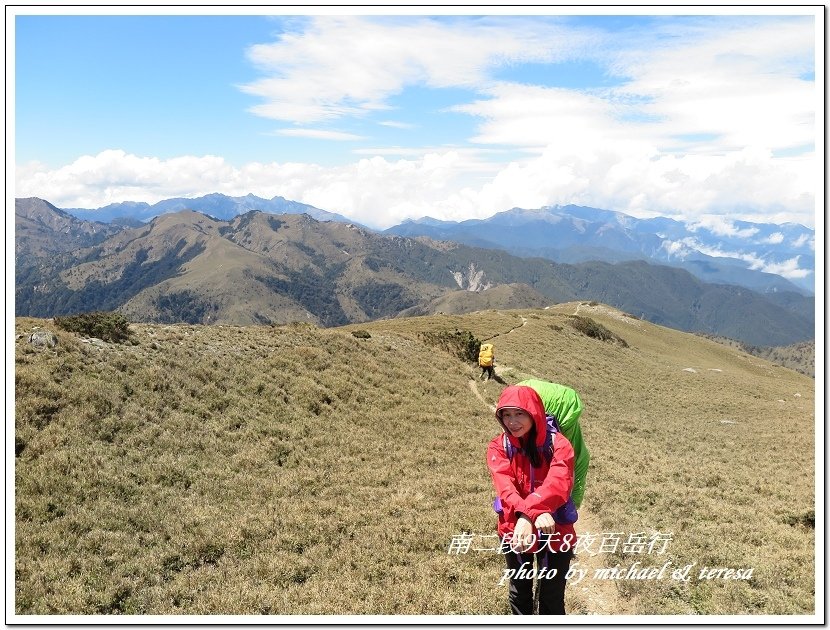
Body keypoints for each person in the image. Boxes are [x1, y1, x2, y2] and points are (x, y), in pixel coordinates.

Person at [487, 385, 576, 615]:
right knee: (519, 592)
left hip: (555, 529)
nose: (512, 422)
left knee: (552, 596)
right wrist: (532, 514)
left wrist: (527, 515)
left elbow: (559, 483)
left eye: (519, 414)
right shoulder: (498, 447)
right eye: (506, 414)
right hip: (513, 528)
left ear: (533, 413)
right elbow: (505, 490)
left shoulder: (560, 445)